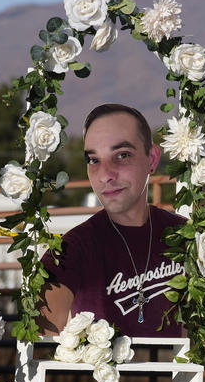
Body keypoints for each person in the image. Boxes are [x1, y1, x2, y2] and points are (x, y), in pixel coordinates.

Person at [38, 104, 187, 337]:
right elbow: (42, 347)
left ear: (152, 158)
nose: (106, 175)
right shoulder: (69, 251)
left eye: (122, 155)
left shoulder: (183, 234)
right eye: (94, 160)